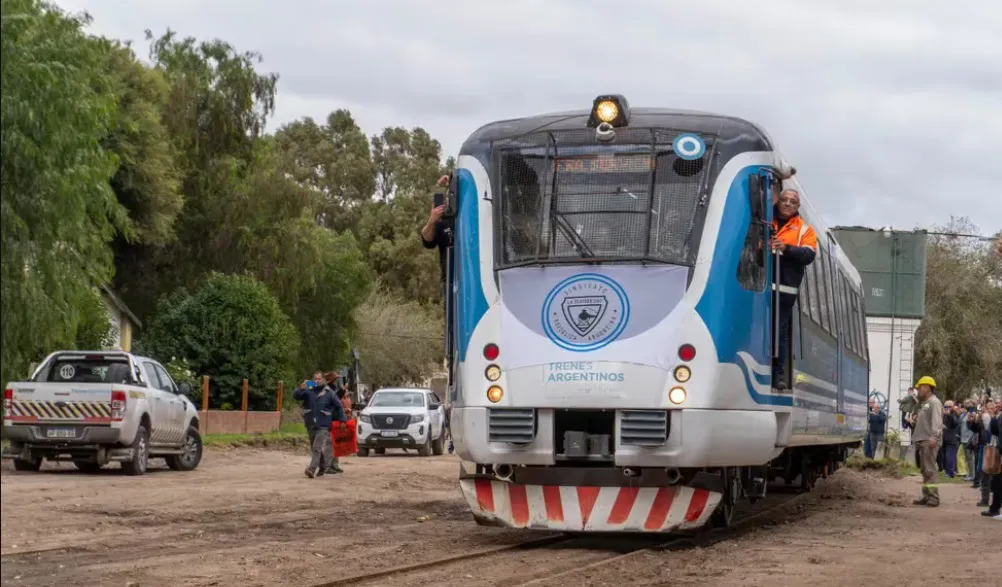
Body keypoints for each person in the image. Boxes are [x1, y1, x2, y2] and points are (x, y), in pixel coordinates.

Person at [770, 188, 817, 390]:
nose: (788, 204)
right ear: (777, 201)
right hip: (758, 284)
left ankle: (777, 374)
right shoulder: (762, 220)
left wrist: (786, 248)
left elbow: (809, 255)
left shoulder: (804, 230)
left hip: (785, 289)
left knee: (779, 331)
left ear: (797, 207)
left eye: (792, 202)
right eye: (784, 200)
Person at [302, 371, 347, 478]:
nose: (317, 381)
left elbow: (338, 405)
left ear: (323, 380)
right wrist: (301, 388)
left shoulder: (330, 392)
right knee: (315, 446)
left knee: (318, 446)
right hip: (312, 422)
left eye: (319, 379)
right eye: (315, 379)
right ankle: (323, 467)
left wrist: (342, 419)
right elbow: (297, 396)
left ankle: (312, 469)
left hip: (324, 423)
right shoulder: (310, 390)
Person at [910, 376, 944, 507]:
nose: (918, 390)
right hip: (922, 440)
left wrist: (934, 436)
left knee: (930, 469)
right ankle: (926, 495)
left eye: (920, 387)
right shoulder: (926, 403)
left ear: (927, 388)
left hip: (929, 440)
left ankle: (934, 497)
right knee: (925, 470)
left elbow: (937, 421)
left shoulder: (934, 403)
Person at [421, 174, 453, 289]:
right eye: (448, 197)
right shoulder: (441, 223)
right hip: (449, 282)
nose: (448, 199)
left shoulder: (466, 218)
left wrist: (452, 184)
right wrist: (432, 221)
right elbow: (426, 239)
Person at [940, 400, 962, 478]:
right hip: (944, 437)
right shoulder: (944, 414)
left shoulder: (954, 413)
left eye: (948, 407)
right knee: (944, 455)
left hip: (951, 438)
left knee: (950, 456)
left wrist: (949, 415)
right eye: (945, 407)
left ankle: (950, 472)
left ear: (952, 407)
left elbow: (956, 423)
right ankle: (946, 470)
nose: (946, 408)